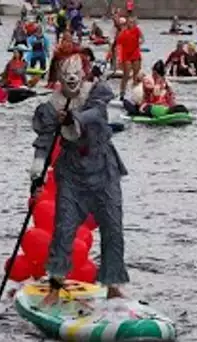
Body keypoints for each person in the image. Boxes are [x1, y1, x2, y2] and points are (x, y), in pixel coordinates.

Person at [30, 47, 129, 307]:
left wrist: (73, 117)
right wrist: (36, 176)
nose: (72, 80)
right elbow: (43, 141)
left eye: (76, 74)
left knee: (113, 227)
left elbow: (96, 113)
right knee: (64, 228)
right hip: (72, 173)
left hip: (103, 168)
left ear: (84, 73)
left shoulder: (97, 91)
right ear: (59, 78)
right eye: (66, 76)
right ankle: (55, 284)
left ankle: (113, 284)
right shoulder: (52, 106)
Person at [116, 16, 143, 100]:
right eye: (130, 22)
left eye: (133, 22)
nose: (131, 24)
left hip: (135, 53)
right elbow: (119, 46)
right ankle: (122, 92)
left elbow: (142, 38)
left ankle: (135, 93)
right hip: (126, 55)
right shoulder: (122, 33)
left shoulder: (137, 30)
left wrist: (140, 42)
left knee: (136, 74)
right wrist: (119, 59)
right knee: (126, 75)